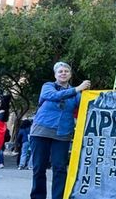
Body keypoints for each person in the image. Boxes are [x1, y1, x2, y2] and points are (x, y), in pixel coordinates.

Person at [30, 61, 90, 199]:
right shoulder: (48, 86)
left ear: (70, 74)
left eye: (66, 71)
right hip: (41, 131)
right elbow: (54, 96)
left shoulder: (77, 94)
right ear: (55, 75)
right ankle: (38, 196)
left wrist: (86, 93)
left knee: (60, 168)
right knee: (39, 167)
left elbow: (86, 105)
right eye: (60, 71)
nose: (63, 73)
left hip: (62, 133)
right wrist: (77, 89)